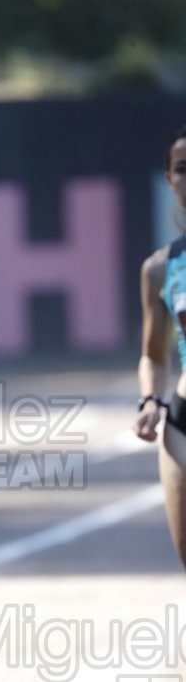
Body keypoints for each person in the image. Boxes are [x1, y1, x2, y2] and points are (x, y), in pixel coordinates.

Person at [133, 123, 186, 569]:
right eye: (182, 168)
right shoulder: (159, 269)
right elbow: (154, 353)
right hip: (182, 427)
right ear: (170, 179)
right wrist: (150, 398)